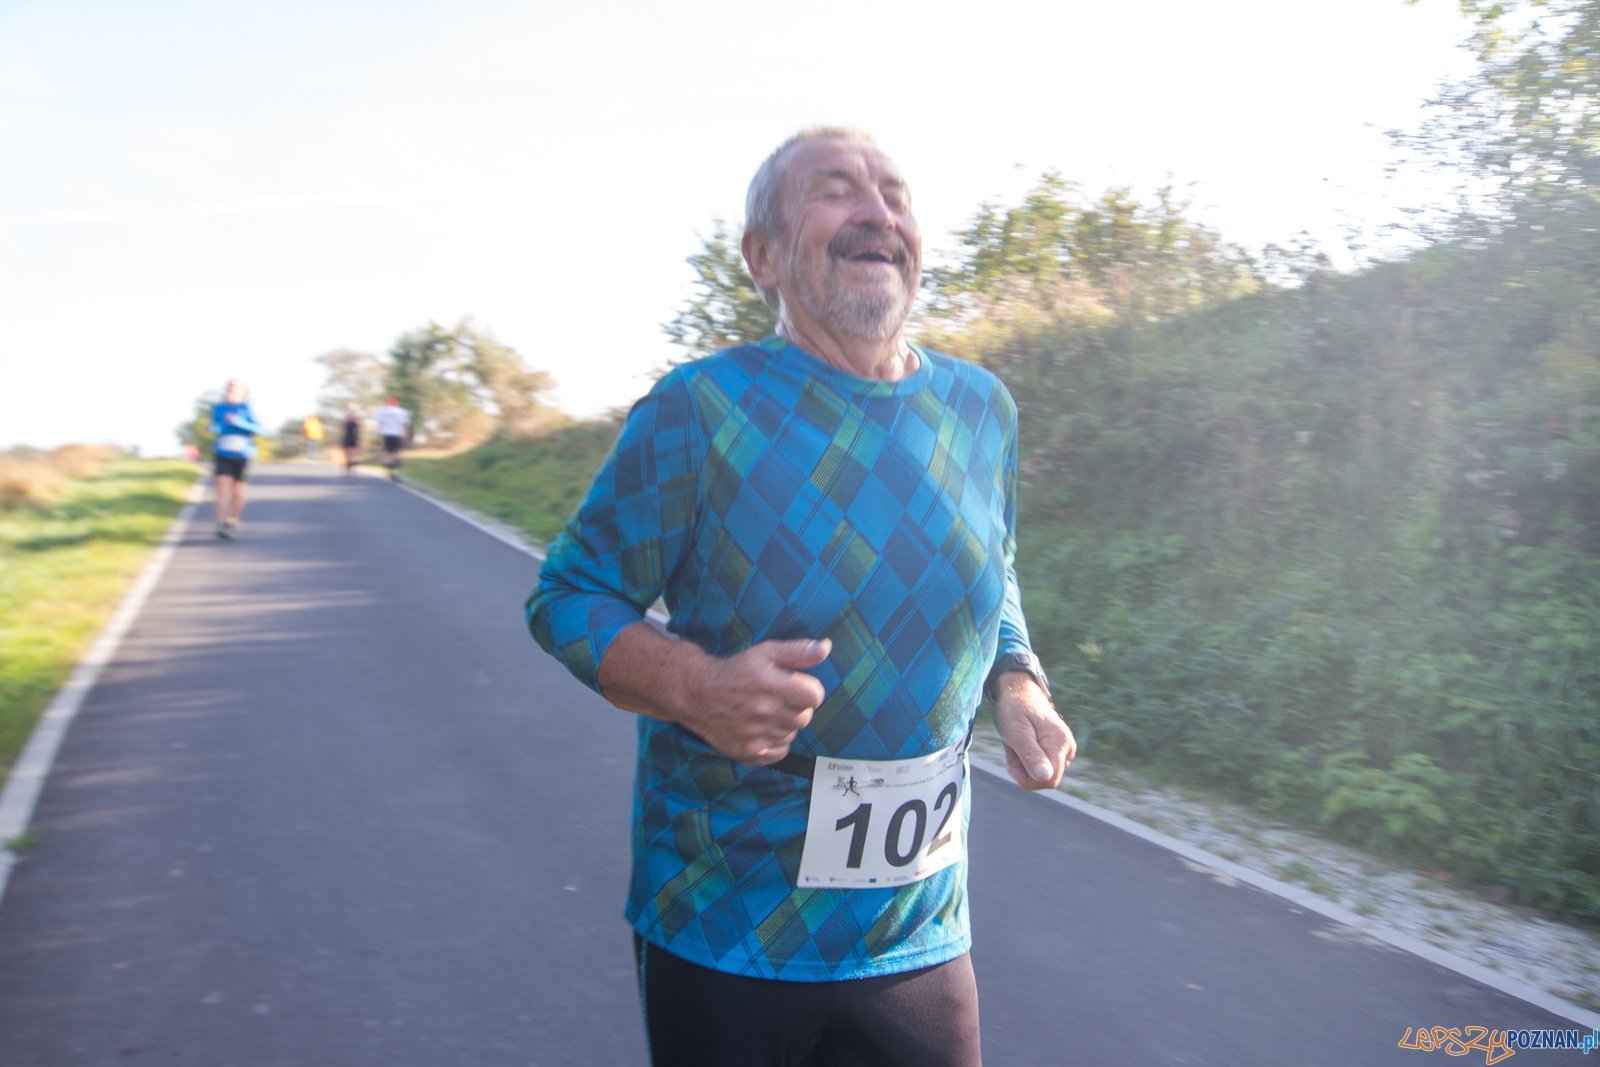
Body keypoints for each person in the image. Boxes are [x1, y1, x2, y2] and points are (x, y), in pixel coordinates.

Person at [527, 128, 1075, 1067]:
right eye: (835, 190)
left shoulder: (982, 409)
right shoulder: (700, 409)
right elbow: (569, 594)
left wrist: (1018, 678)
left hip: (917, 922)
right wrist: (693, 684)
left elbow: (996, 563)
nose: (878, 210)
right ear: (764, 255)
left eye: (894, 192)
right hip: (727, 916)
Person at [209, 379, 263, 539]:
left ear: (241, 391)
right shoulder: (219, 407)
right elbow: (217, 425)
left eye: (235, 388)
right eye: (229, 387)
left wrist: (237, 422)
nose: (231, 390)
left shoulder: (246, 408)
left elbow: (258, 429)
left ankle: (232, 519)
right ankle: (220, 524)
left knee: (239, 493)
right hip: (223, 452)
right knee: (222, 490)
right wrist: (214, 427)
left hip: (243, 455)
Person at [375, 397, 411, 482]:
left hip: (386, 433)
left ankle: (388, 467)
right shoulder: (401, 411)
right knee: (396, 453)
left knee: (387, 452)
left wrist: (378, 434)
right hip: (397, 433)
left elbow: (380, 423)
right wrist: (406, 436)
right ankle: (395, 471)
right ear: (397, 403)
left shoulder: (382, 410)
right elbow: (405, 424)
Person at [340, 404, 363, 480]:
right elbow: (360, 428)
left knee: (349, 457)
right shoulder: (356, 419)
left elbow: (342, 427)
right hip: (353, 438)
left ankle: (348, 473)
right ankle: (349, 473)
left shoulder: (347, 419)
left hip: (349, 438)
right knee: (351, 457)